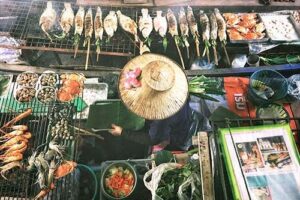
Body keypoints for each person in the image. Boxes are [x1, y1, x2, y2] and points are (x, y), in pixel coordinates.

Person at [108, 102, 195, 151]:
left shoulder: (160, 117)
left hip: (178, 133)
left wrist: (122, 132)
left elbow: (152, 139)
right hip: (182, 116)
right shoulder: (178, 90)